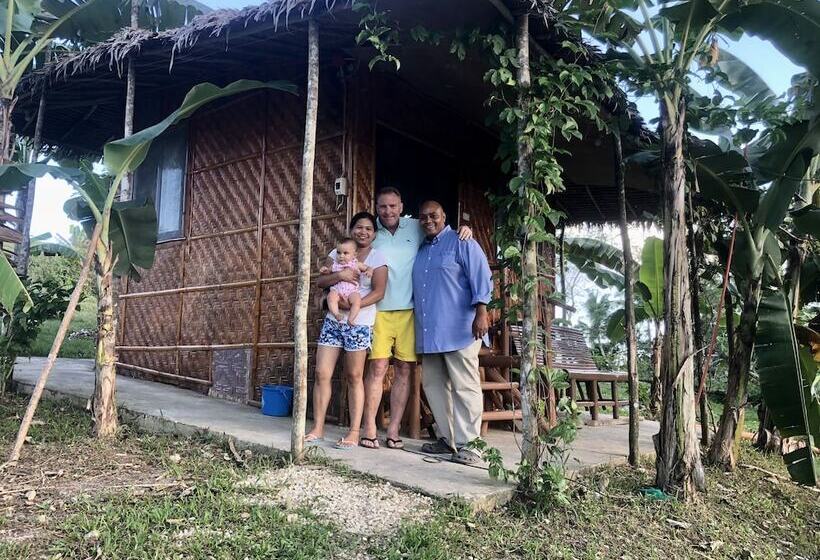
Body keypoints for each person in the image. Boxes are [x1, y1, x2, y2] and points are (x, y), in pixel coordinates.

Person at [361, 187, 472, 450]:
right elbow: (346, 256)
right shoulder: (369, 232)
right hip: (378, 310)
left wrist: (464, 228)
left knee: (404, 370)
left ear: (401, 206)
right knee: (376, 369)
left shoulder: (415, 226)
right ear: (377, 209)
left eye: (392, 206)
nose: (387, 211)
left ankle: (394, 429)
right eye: (382, 207)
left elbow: (439, 227)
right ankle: (368, 427)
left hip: (410, 312)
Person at [412, 200, 492, 465]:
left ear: (444, 215)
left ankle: (472, 445)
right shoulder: (422, 249)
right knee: (434, 385)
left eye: (433, 215)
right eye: (423, 217)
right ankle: (447, 439)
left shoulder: (463, 241)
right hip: (430, 331)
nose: (428, 220)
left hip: (460, 329)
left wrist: (482, 313)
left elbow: (481, 277)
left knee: (464, 386)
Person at [305, 212, 387, 449]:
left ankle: (353, 431)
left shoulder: (377, 257)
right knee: (321, 372)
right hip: (333, 321)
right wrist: (339, 274)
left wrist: (352, 304)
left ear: (374, 233)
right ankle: (318, 427)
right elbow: (321, 282)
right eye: (359, 227)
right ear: (351, 229)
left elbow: (379, 292)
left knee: (354, 376)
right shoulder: (337, 253)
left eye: (369, 228)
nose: (363, 232)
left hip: (359, 323)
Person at [320, 237, 373, 325]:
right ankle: (336, 314)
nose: (341, 256)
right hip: (337, 290)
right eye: (338, 253)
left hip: (352, 291)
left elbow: (367, 267)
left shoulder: (356, 264)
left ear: (354, 255)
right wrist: (324, 270)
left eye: (345, 253)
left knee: (357, 301)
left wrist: (369, 271)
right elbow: (327, 272)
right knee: (331, 297)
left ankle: (351, 319)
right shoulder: (335, 265)